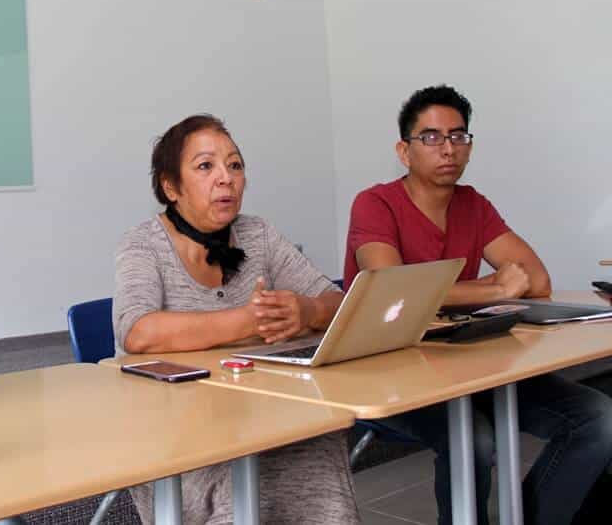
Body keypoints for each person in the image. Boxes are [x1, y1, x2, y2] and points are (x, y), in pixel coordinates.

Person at [344, 84, 612, 525]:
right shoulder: (375, 204)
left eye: (458, 136)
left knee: (597, 417)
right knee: (475, 439)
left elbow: (536, 279)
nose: (447, 148)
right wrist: (490, 289)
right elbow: (391, 288)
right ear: (404, 150)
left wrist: (465, 290)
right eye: (430, 137)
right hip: (391, 371)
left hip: (469, 363)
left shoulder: (472, 203)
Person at [114, 114, 359, 525]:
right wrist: (250, 320)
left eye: (235, 165)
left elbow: (338, 301)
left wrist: (308, 310)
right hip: (177, 442)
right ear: (170, 186)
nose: (225, 178)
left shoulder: (258, 234)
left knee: (319, 445)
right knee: (240, 472)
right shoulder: (142, 245)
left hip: (261, 417)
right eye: (205, 166)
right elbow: (138, 332)